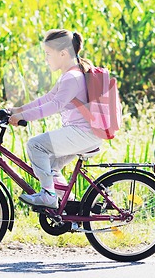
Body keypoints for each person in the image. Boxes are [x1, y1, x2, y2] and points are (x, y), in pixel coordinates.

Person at [8, 29, 102, 208]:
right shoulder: (70, 75)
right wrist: (18, 110)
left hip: (83, 133)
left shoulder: (72, 77)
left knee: (35, 145)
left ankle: (48, 196)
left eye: (48, 54)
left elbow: (55, 105)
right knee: (50, 167)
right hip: (83, 133)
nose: (46, 59)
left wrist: (23, 117)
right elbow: (47, 98)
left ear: (63, 53)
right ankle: (70, 206)